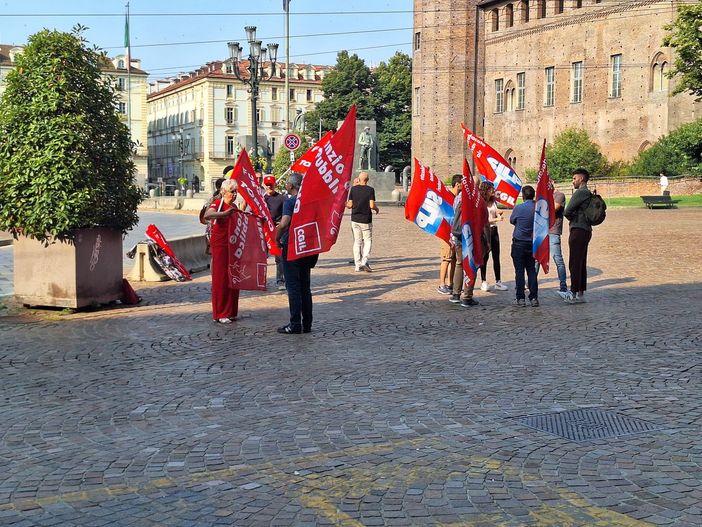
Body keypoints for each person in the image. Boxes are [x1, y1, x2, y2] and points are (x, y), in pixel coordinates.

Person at [276, 172, 318, 334]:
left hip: (292, 245)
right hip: (307, 246)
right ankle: (307, 324)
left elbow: (284, 223)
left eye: (286, 183)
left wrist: (277, 236)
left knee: (293, 286)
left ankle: (295, 324)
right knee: (305, 286)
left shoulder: (290, 201)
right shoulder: (309, 201)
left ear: (290, 186)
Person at [203, 179, 240, 323]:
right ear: (224, 192)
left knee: (233, 277)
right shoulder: (218, 204)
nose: (235, 194)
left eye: (236, 191)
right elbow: (207, 215)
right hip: (220, 245)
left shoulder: (234, 206)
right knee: (221, 279)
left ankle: (231, 310)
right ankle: (220, 312)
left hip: (233, 244)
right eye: (232, 192)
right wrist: (224, 214)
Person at [450, 180, 490, 308]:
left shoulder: (460, 200)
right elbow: (485, 224)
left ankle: (456, 294)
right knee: (472, 264)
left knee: (459, 264)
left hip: (459, 236)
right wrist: (488, 242)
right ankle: (467, 296)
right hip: (473, 238)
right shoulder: (479, 202)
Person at [563, 168, 593, 304]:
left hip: (578, 229)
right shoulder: (588, 193)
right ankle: (580, 291)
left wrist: (572, 218)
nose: (573, 181)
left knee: (574, 261)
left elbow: (567, 211)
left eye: (574, 178)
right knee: (581, 260)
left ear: (581, 179)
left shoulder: (580, 192)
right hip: (586, 230)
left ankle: (573, 293)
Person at [536, 187, 570, 299]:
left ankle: (563, 286)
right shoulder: (543, 197)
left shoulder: (559, 195)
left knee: (558, 259)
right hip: (542, 231)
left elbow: (553, 209)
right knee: (536, 259)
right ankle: (532, 284)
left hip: (553, 232)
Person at [510, 185, 539, 307]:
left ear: (523, 195)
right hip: (532, 243)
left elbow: (512, 220)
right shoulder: (537, 208)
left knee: (519, 271)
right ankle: (534, 298)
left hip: (519, 242)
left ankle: (520, 298)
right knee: (531, 270)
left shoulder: (519, 208)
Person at [478, 181, 509, 292]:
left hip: (494, 231)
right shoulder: (481, 203)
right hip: (485, 231)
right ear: (486, 190)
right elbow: (484, 220)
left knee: (496, 257)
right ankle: (483, 281)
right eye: (491, 189)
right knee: (485, 257)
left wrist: (499, 213)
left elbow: (495, 212)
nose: (493, 191)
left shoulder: (493, 202)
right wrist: (496, 219)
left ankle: (498, 281)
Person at [346, 172, 379, 272]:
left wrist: (345, 204)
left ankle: (357, 265)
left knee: (357, 242)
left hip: (355, 219)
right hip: (365, 219)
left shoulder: (353, 189)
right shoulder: (370, 190)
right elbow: (372, 205)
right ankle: (364, 261)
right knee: (368, 240)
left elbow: (350, 205)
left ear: (359, 179)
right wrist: (377, 209)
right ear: (367, 180)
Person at [437, 175, 461, 295]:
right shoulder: (447, 197)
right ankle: (442, 284)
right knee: (446, 258)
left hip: (454, 232)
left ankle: (451, 284)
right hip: (446, 232)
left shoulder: (456, 197)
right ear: (457, 184)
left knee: (453, 259)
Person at [263, 174, 286, 291]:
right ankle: (261, 281)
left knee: (279, 257)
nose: (269, 187)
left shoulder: (282, 198)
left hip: (277, 230)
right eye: (267, 185)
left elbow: (286, 213)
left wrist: (280, 225)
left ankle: (281, 280)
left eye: (270, 185)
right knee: (262, 256)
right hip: (264, 230)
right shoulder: (261, 199)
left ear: (274, 185)